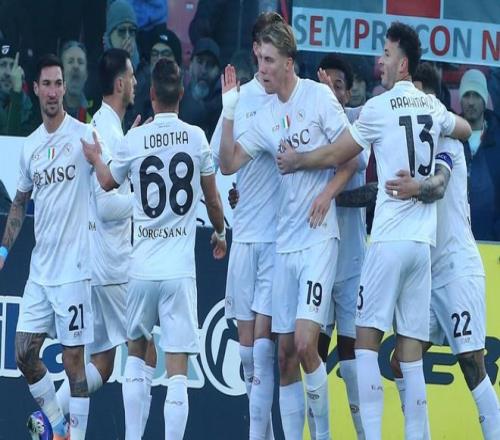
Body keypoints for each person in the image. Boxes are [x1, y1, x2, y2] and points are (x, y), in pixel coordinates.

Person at [275, 22, 471, 439]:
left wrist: (298, 161)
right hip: (421, 247)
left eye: (386, 54)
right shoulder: (431, 105)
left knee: (364, 346)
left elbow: (337, 153)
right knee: (411, 356)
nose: (379, 61)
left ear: (403, 65)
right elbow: (466, 129)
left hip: (387, 243)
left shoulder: (379, 108)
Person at [218, 20, 358, 440]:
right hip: (285, 244)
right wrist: (228, 111)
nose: (261, 68)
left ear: (288, 62)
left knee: (303, 343)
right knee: (283, 356)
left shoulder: (317, 97)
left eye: (269, 60)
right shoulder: (264, 116)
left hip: (318, 239)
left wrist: (325, 191)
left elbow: (351, 154)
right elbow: (228, 163)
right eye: (259, 59)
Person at [82, 57, 226, 440]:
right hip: (179, 271)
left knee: (136, 355)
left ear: (150, 94)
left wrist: (96, 158)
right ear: (182, 93)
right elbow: (213, 201)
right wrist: (219, 231)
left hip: (141, 269)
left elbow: (107, 183)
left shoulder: (135, 139)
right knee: (176, 368)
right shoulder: (196, 137)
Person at [385, 61, 500, 440]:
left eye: (416, 96)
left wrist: (413, 189)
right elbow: (386, 190)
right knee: (400, 362)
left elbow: (435, 187)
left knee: (472, 364)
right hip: (424, 274)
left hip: (456, 268)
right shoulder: (407, 145)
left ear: (432, 98)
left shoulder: (447, 137)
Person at [54, 47, 156, 436]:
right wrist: (145, 201)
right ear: (119, 83)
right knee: (145, 351)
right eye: (131, 77)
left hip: (101, 263)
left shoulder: (110, 130)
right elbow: (108, 206)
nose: (136, 83)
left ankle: (46, 420)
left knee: (103, 363)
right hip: (114, 265)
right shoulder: (102, 132)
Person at [0, 54, 98, 440]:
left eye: (59, 83)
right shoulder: (30, 147)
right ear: (36, 90)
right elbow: (19, 202)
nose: (54, 91)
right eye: (47, 85)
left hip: (75, 271)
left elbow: (111, 180)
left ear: (64, 88)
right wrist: (4, 251)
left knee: (74, 363)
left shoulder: (84, 135)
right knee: (24, 353)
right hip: (40, 272)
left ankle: (76, 435)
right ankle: (57, 427)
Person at [210, 11, 284, 440]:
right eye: (264, 44)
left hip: (277, 239)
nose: (267, 55)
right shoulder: (240, 98)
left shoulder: (290, 95)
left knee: (263, 350)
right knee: (246, 357)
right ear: (256, 48)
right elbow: (222, 163)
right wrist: (229, 110)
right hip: (244, 237)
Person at [312, 53, 366, 440]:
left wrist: (327, 197)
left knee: (351, 357)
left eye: (338, 86)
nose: (331, 91)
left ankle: (364, 434)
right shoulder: (307, 127)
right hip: (317, 259)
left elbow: (368, 191)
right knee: (311, 352)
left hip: (351, 264)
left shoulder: (360, 124)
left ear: (348, 93)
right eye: (325, 85)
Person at [458, 69, 500, 241]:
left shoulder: (497, 138)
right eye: (466, 95)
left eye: (476, 95)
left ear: (485, 99)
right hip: (457, 240)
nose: (471, 102)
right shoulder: (450, 137)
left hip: (493, 242)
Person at [179, 37, 222, 139]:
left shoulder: (223, 106)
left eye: (210, 64)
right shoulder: (178, 100)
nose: (203, 70)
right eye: (199, 62)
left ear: (218, 71)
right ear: (190, 65)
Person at [0, 39, 35, 135]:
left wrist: (16, 92)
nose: (8, 73)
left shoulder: (30, 109)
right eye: (2, 65)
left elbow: (14, 138)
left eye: (12, 66)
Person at [60, 41, 93, 122]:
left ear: (86, 75)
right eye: (70, 61)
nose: (76, 66)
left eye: (80, 62)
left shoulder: (96, 115)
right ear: (61, 73)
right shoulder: (49, 110)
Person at [104, 0, 141, 71]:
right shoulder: (98, 68)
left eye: (132, 31)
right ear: (110, 35)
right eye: (122, 31)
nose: (127, 36)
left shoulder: (144, 69)